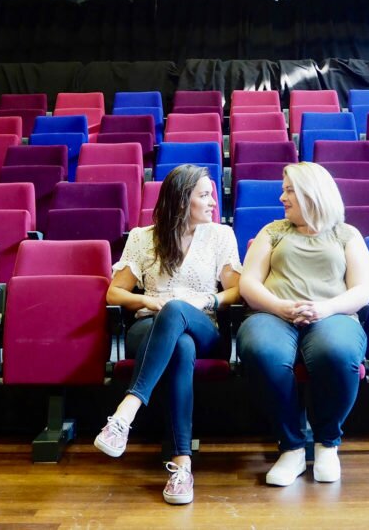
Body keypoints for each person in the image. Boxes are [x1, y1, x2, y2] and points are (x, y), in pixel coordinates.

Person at [94, 164, 241, 505]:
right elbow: (115, 294)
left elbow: (236, 292)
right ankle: (182, 466)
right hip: (149, 327)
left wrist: (207, 299)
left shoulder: (221, 236)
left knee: (179, 314)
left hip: (204, 325)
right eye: (204, 196)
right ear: (180, 200)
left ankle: (125, 412)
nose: (213, 203)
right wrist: (149, 300)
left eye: (212, 195)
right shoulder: (142, 238)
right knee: (179, 346)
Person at [237, 162, 369, 486]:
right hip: (272, 313)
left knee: (338, 353)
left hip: (333, 314)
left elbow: (362, 289)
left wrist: (325, 309)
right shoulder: (273, 231)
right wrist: (280, 307)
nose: (281, 197)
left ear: (312, 193)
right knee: (262, 351)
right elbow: (249, 283)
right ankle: (292, 447)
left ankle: (327, 443)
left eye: (289, 190)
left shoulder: (346, 234)